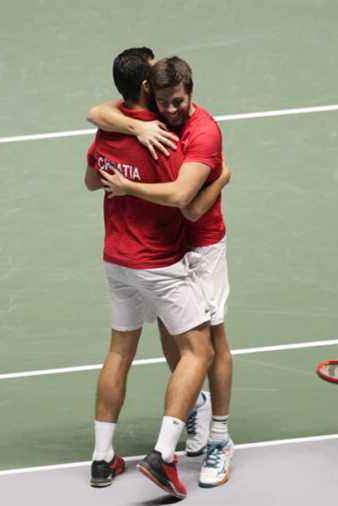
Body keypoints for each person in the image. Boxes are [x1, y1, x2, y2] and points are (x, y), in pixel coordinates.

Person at [95, 56, 234, 488]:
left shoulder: (201, 132)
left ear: (189, 92)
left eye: (177, 102)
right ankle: (192, 410)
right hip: (162, 253)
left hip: (200, 244)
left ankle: (220, 438)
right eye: (162, 102)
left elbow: (186, 202)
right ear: (147, 94)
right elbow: (96, 112)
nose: (170, 110)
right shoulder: (145, 121)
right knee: (177, 338)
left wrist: (127, 185)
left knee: (210, 340)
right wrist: (138, 126)